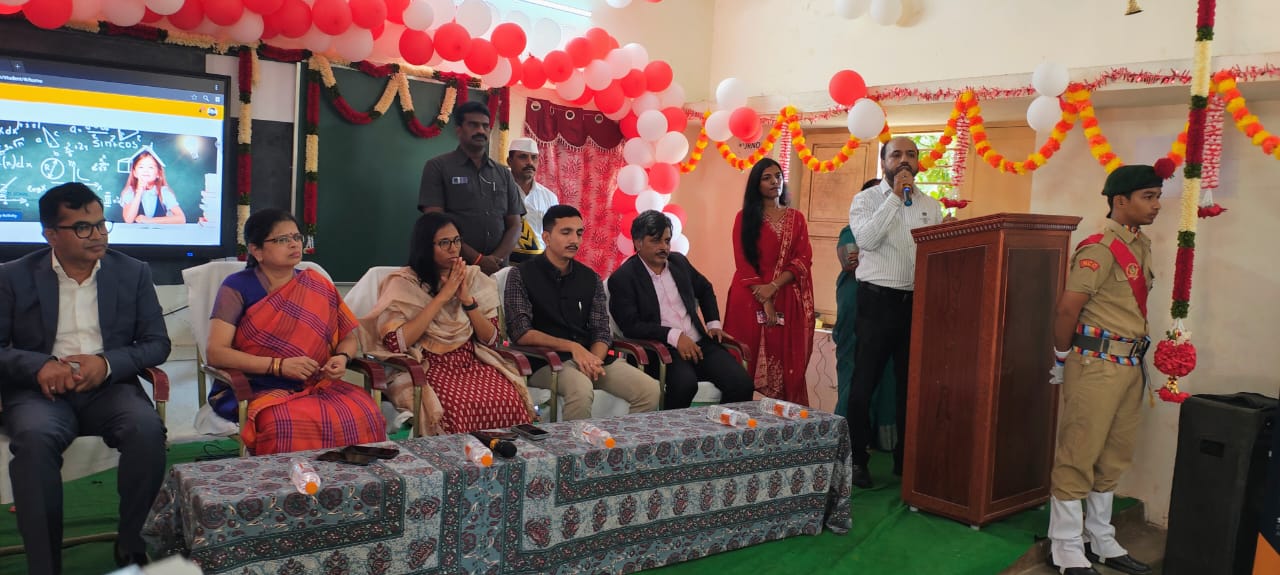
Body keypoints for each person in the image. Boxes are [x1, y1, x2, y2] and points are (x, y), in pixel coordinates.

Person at [0, 183, 170, 573]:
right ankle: (45, 566)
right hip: (39, 393)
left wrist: (106, 363)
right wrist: (39, 366)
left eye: (101, 224)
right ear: (51, 234)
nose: (97, 235)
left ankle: (131, 545)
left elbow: (156, 343)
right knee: (35, 440)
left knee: (146, 431)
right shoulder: (12, 276)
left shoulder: (133, 272)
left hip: (108, 389)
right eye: (82, 227)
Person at [1046, 164, 1164, 575]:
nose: (1157, 205)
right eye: (1148, 197)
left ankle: (1099, 537)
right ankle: (1064, 545)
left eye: (1157, 196)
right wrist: (1061, 358)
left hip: (1130, 365)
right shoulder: (1099, 248)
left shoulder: (1140, 244)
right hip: (1096, 364)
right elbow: (1067, 309)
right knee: (1078, 453)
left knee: (1113, 456)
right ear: (1120, 201)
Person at [204, 208, 386, 455]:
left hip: (317, 383)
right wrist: (278, 366)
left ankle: (350, 480)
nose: (294, 244)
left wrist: (342, 358)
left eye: (297, 237)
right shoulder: (237, 287)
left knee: (365, 412)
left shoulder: (317, 284)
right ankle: (289, 481)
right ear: (256, 250)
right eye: (282, 239)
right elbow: (216, 353)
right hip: (256, 386)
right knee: (285, 424)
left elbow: (348, 337)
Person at [361, 212, 535, 435]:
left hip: (472, 361)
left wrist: (467, 301)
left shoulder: (473, 278)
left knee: (508, 398)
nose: (454, 248)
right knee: (456, 407)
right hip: (429, 364)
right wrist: (443, 297)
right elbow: (397, 343)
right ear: (426, 246)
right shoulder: (403, 283)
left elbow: (491, 339)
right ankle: (460, 457)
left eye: (457, 241)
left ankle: (502, 456)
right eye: (444, 243)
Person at [845, 136, 944, 489]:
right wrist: (895, 198)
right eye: (896, 155)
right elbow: (867, 241)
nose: (904, 161)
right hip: (876, 302)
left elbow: (936, 254)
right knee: (864, 384)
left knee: (910, 385)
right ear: (884, 162)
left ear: (919, 162)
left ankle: (907, 461)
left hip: (915, 303)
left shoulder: (930, 206)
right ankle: (857, 459)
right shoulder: (865, 200)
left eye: (911, 155)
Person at [504, 205, 660, 420]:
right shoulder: (521, 274)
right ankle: (574, 443)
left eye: (578, 233)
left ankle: (618, 441)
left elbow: (601, 330)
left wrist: (593, 360)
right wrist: (572, 347)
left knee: (649, 389)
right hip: (546, 362)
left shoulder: (590, 278)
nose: (574, 240)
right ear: (546, 237)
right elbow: (520, 332)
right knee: (580, 389)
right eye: (566, 232)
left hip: (589, 357)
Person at [609, 210, 754, 409]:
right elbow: (631, 325)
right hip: (660, 350)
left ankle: (718, 427)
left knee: (742, 384)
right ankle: (672, 430)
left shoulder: (679, 262)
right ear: (638, 242)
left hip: (699, 343)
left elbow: (705, 288)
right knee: (685, 385)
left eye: (667, 241)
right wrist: (674, 336)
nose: (664, 247)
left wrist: (713, 324)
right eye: (656, 241)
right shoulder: (623, 278)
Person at [723, 158, 815, 406]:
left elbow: (803, 259)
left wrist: (773, 287)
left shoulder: (796, 219)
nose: (775, 181)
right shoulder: (744, 218)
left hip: (785, 295)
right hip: (748, 296)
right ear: (757, 184)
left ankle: (782, 422)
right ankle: (736, 418)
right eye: (767, 178)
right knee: (743, 364)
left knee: (786, 368)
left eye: (778, 176)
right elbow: (743, 261)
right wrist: (765, 299)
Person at [419, 100, 525, 275]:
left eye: (485, 126)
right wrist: (478, 260)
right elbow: (435, 223)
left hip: (497, 271)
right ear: (459, 130)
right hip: (453, 269)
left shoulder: (503, 173)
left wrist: (495, 260)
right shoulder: (438, 167)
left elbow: (515, 225)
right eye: (473, 125)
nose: (481, 130)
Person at [833, 179, 899, 453]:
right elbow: (850, 262)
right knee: (855, 371)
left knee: (886, 371)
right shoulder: (852, 230)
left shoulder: (899, 230)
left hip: (889, 307)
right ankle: (844, 440)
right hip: (857, 306)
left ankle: (878, 437)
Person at [506, 137, 559, 264]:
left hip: (538, 265)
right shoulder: (498, 191)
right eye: (523, 157)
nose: (530, 162)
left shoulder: (549, 197)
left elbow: (554, 235)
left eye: (534, 158)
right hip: (504, 263)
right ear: (509, 161)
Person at [119, 147, 186, 224]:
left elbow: (181, 219)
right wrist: (139, 192)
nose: (146, 171)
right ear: (135, 173)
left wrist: (150, 220)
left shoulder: (163, 192)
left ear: (158, 173)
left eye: (151, 167)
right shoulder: (130, 192)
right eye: (141, 167)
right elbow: (128, 220)